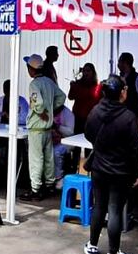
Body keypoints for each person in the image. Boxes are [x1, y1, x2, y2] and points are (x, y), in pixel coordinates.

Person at [83, 75, 138, 254]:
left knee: (99, 206)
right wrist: (136, 173)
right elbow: (136, 150)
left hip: (99, 168)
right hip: (120, 171)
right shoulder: (128, 117)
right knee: (115, 209)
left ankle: (92, 246)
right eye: (125, 89)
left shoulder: (95, 111)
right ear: (121, 93)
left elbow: (88, 133)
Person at [21, 54, 66, 201]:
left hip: (36, 128)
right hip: (47, 128)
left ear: (31, 69)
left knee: (36, 159)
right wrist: (52, 108)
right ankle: (50, 184)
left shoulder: (34, 84)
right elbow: (62, 97)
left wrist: (41, 111)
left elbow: (38, 103)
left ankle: (35, 189)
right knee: (48, 158)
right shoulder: (49, 81)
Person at [68, 62, 101, 133]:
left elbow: (100, 102)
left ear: (93, 72)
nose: (86, 73)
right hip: (78, 118)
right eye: (84, 71)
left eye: (88, 71)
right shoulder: (78, 84)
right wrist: (72, 87)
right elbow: (70, 97)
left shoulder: (97, 87)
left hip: (91, 118)